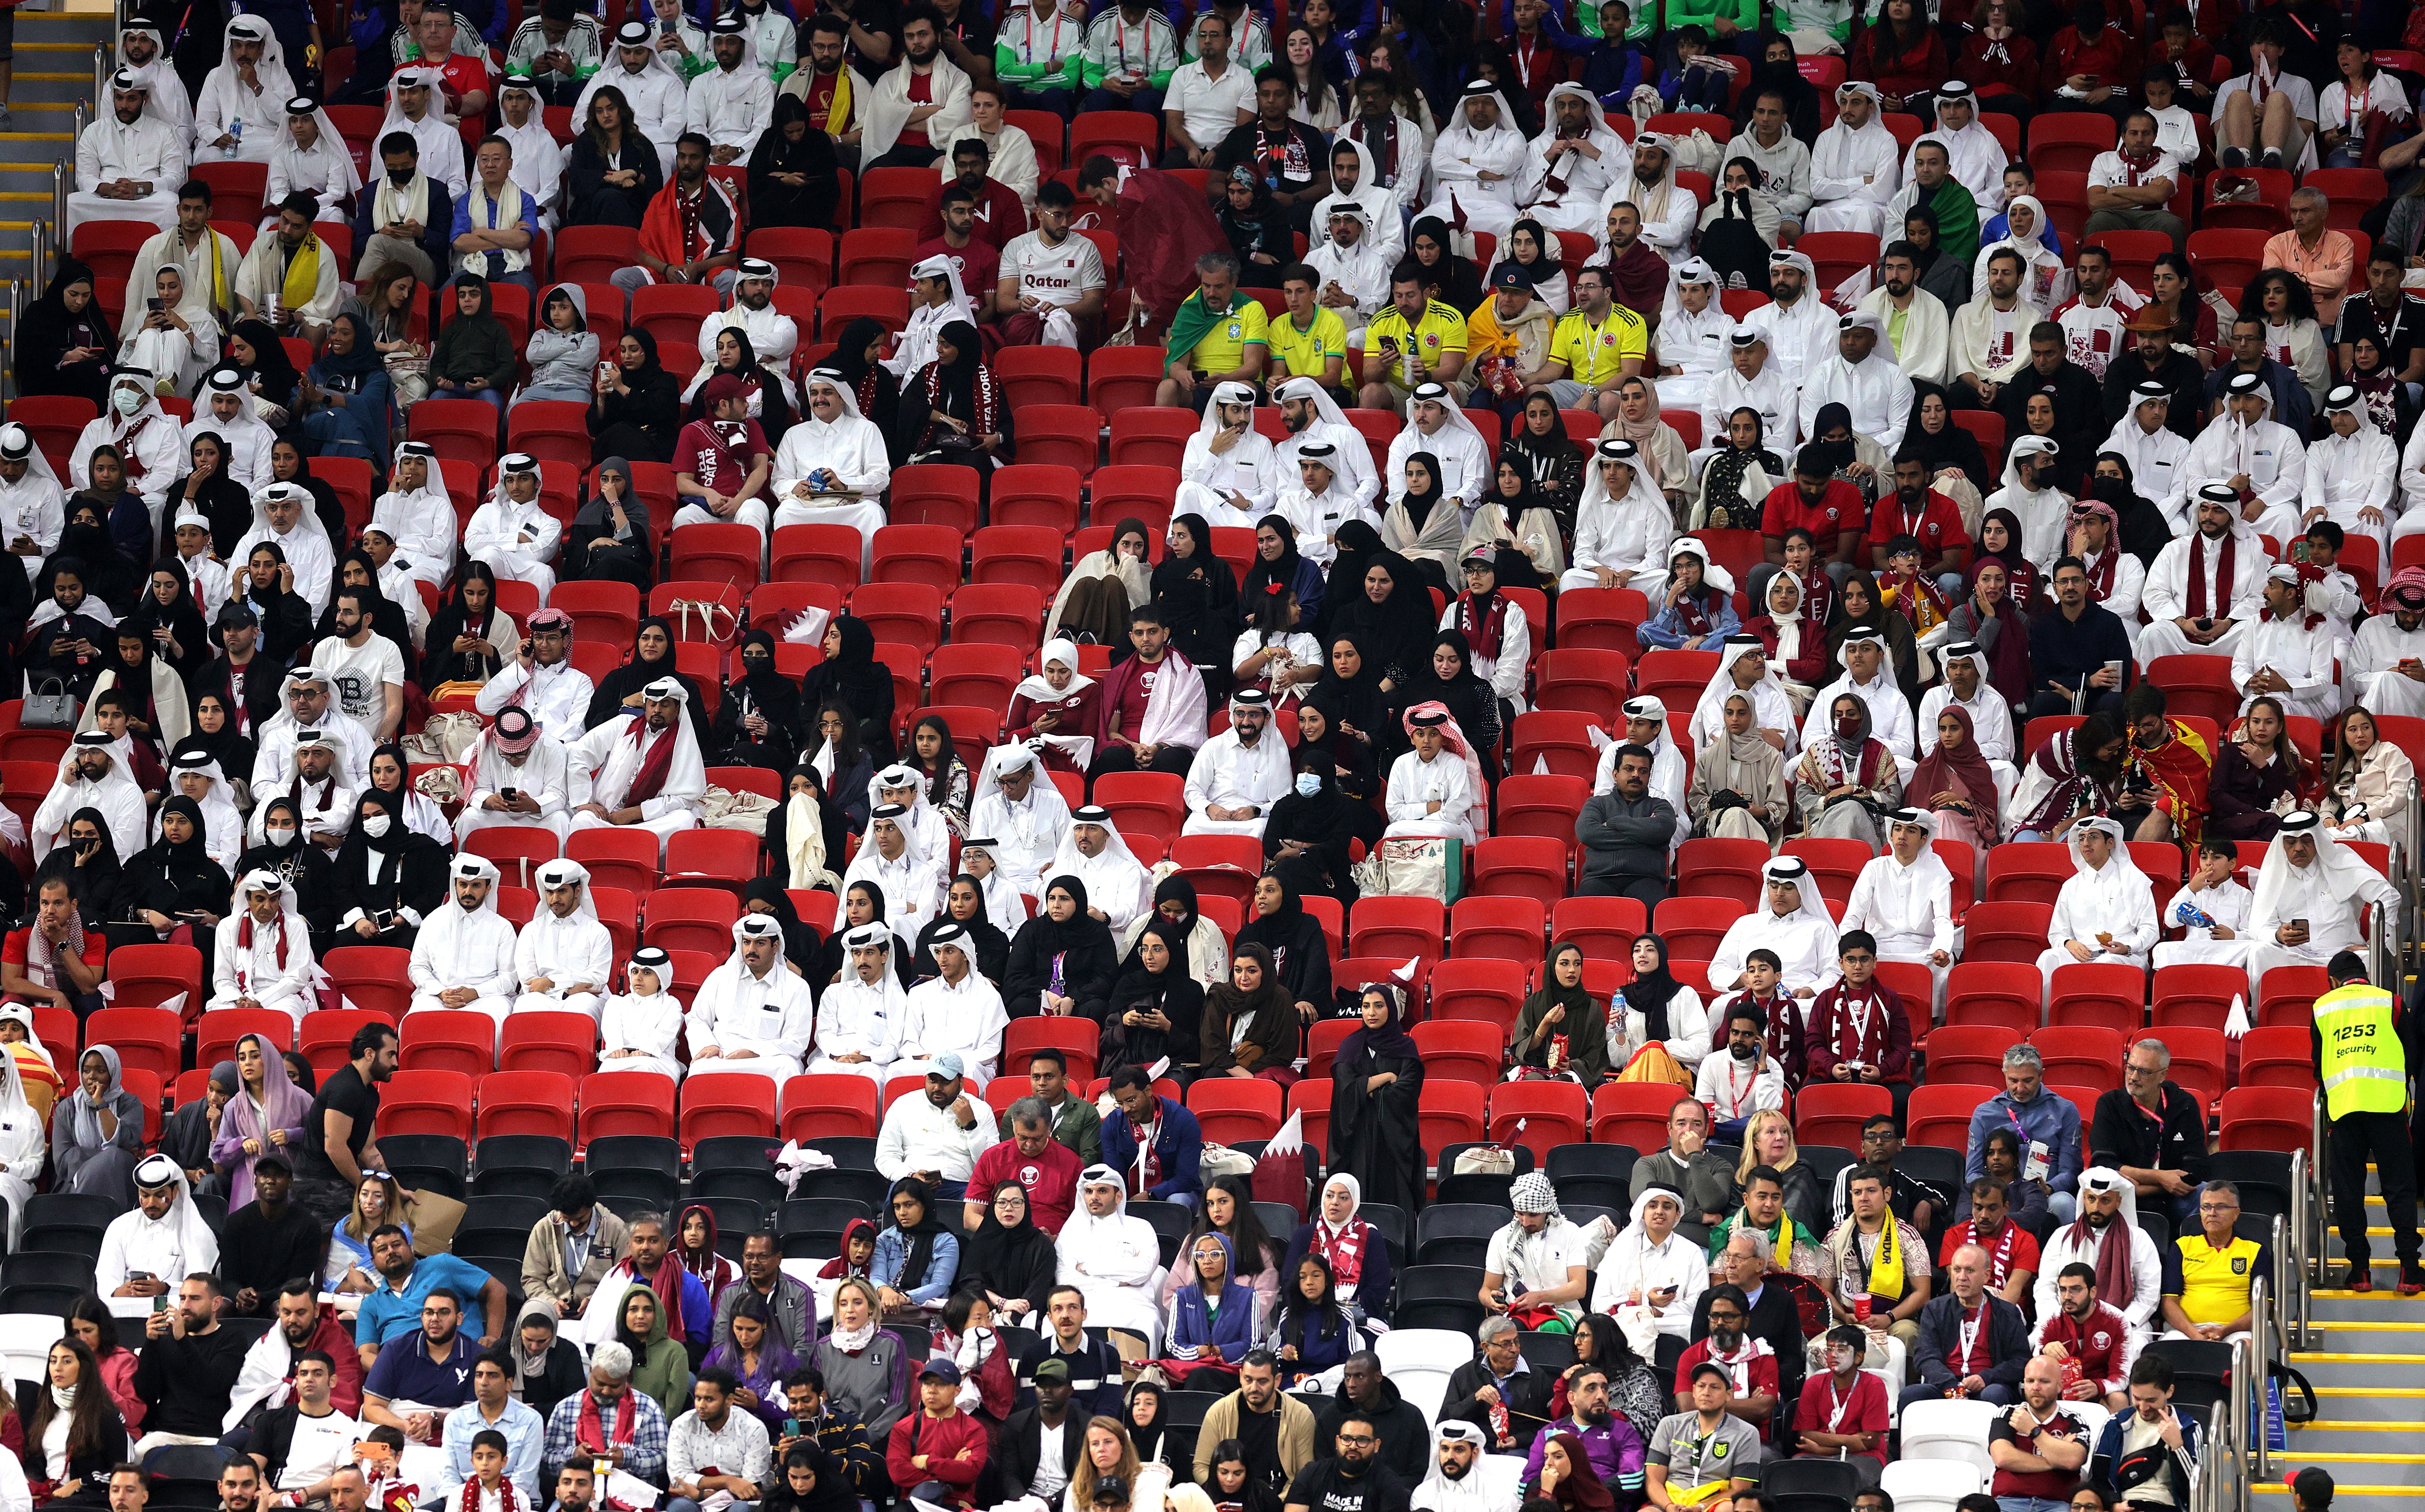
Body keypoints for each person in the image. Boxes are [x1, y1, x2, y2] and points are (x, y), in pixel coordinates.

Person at [1821, 1163, 1931, 1358]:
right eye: (1857, 1192)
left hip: (1893, 1319)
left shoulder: (1907, 1236)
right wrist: (1844, 1316)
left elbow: (1923, 1293)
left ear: (1887, 1194)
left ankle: (1908, 1389)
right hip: (1845, 1318)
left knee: (1908, 1334)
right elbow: (1824, 1291)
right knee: (1821, 1338)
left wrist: (1889, 1318)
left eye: (1871, 1191)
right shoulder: (1835, 1237)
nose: (1863, 1198)